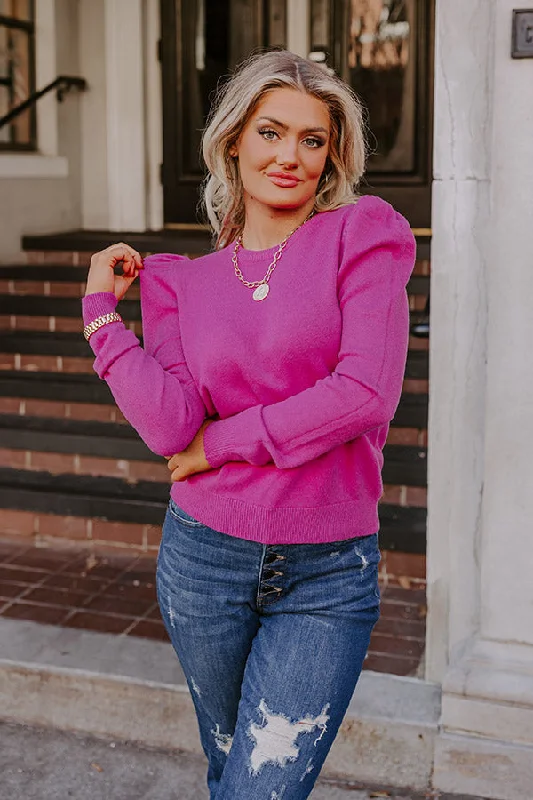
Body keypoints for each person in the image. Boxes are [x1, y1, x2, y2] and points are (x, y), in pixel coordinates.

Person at [83, 49, 415, 799]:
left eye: (311, 140)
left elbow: (364, 392)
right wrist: (103, 318)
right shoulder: (179, 281)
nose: (289, 156)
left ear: (331, 155)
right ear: (233, 139)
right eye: (270, 132)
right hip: (202, 560)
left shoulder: (362, 233)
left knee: (260, 790)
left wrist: (222, 443)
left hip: (326, 572)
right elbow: (170, 430)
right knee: (228, 772)